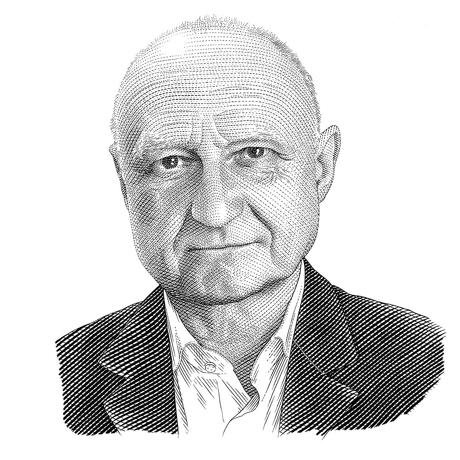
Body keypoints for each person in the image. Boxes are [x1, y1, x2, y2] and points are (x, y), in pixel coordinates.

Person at [56, 17, 444, 437]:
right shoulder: (60, 373)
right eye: (171, 162)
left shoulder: (423, 359)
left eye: (254, 154)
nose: (214, 211)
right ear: (123, 183)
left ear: (321, 168)